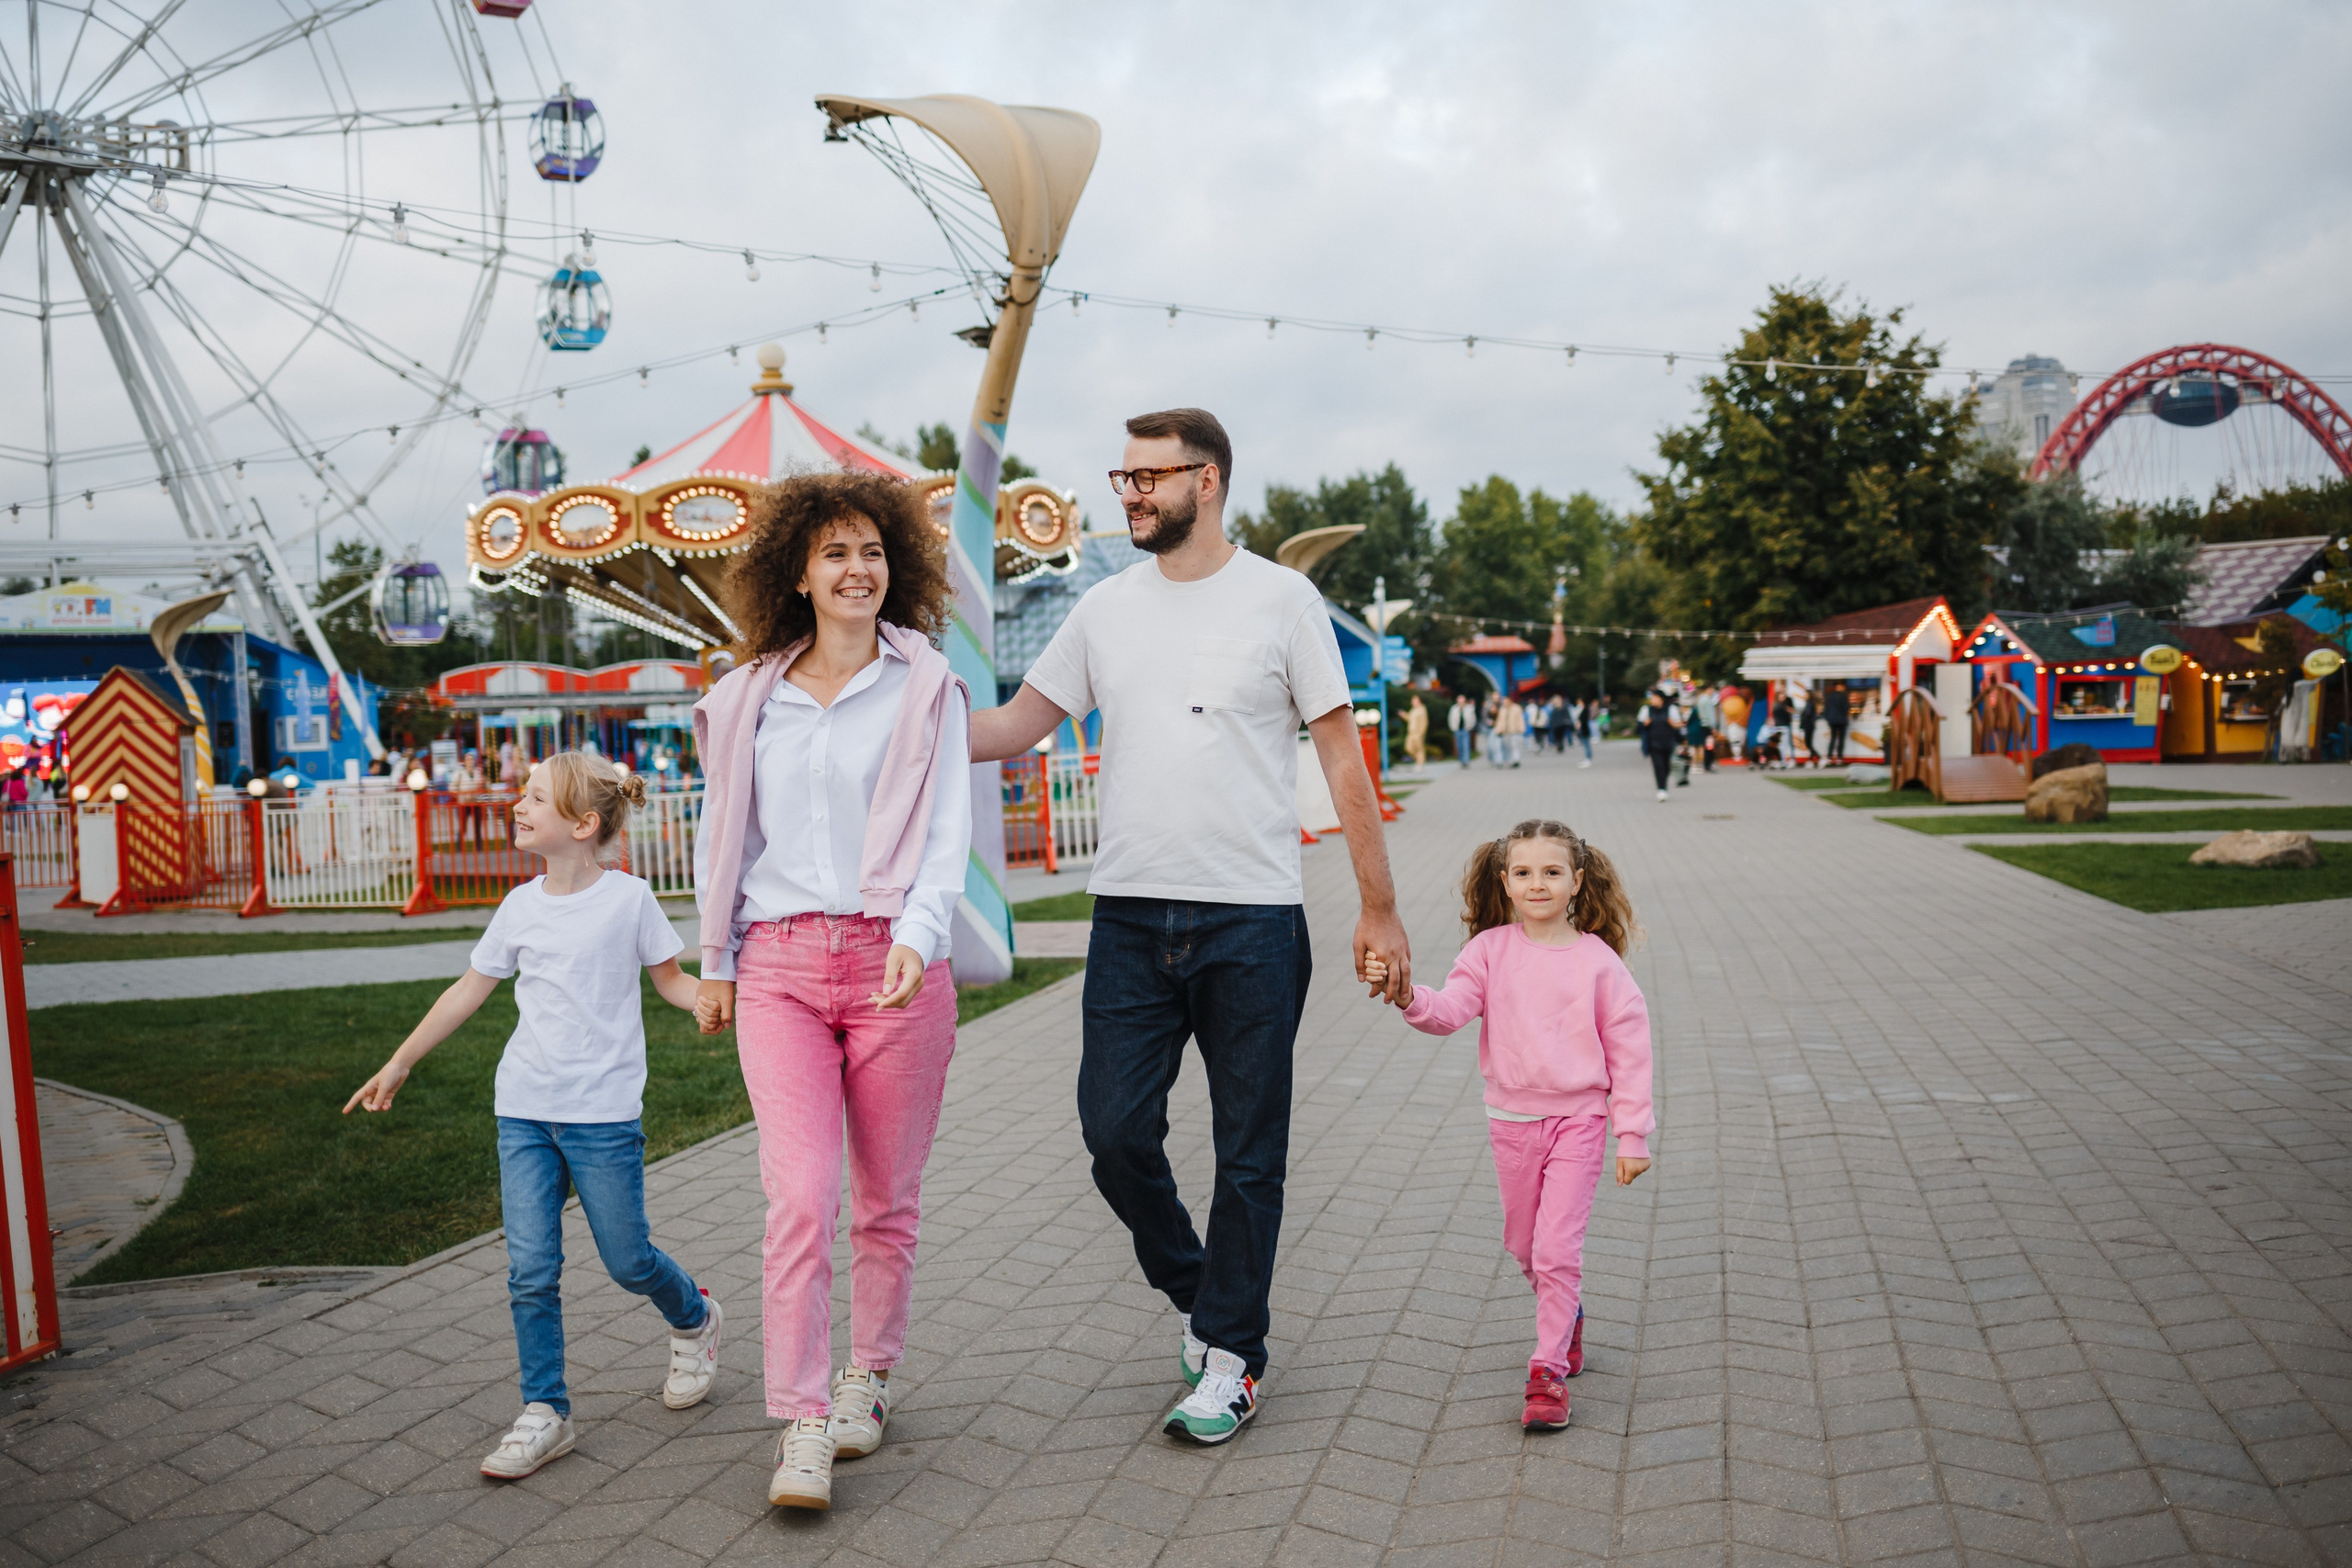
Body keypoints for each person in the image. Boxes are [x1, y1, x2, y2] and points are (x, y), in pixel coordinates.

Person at [970, 407, 1409, 1446]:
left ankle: (1233, 1356)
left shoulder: (1282, 601)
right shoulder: (1106, 610)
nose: (1128, 494)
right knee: (1114, 1135)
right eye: (1121, 478)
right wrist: (892, 696)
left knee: (1248, 1151)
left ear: (1204, 481)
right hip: (1126, 918)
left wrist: (1379, 908)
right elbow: (1008, 730)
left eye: (1146, 478)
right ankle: (1205, 1294)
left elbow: (1343, 763)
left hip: (1252, 920)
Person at [689, 471, 970, 1511]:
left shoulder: (926, 686)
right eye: (836, 554)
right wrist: (714, 963)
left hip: (896, 960)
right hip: (780, 966)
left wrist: (919, 931)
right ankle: (801, 1421)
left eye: (873, 553)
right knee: (800, 1197)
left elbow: (947, 829)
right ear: (798, 573)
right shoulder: (744, 697)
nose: (859, 571)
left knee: (884, 1204)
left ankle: (870, 1375)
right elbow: (727, 841)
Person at [344, 753, 718, 1481]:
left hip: (603, 1116)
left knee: (628, 1259)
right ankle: (546, 1409)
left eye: (535, 797)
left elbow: (671, 980)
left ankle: (695, 1318)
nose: (518, 804)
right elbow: (467, 990)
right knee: (530, 1270)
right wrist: (401, 1060)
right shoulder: (519, 906)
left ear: (582, 824)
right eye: (523, 794)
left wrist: (709, 998)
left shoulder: (630, 899)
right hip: (522, 1111)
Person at [1361, 818, 1651, 1431]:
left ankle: (1546, 1371)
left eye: (1551, 872)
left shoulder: (1600, 964)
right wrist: (1407, 993)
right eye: (1524, 873)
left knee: (1555, 1248)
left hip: (1580, 1121)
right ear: (1505, 881)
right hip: (1512, 1122)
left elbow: (1630, 1049)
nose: (1537, 884)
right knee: (1524, 1246)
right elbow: (1447, 1012)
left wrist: (1633, 1134)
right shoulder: (1489, 951)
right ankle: (1565, 1313)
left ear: (1577, 881)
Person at [1638, 692, 1678, 800]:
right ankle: (1661, 789)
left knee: (1666, 766)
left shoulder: (1671, 709)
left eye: (1655, 698)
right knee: (1658, 766)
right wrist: (1644, 724)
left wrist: (1673, 724)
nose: (1652, 700)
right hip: (1653, 743)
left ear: (1661, 699)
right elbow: (1639, 727)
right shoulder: (1647, 710)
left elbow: (1679, 724)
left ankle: (1663, 785)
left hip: (1668, 742)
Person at [1824, 681, 1851, 764]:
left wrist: (1828, 719)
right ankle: (1839, 758)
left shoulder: (1829, 696)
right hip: (1842, 720)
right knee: (1841, 740)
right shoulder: (1843, 696)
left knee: (1832, 739)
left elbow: (1825, 710)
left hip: (1832, 721)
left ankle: (1829, 757)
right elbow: (1847, 708)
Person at [1498, 693, 1527, 768]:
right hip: (1505, 731)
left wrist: (1521, 728)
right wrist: (1499, 729)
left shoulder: (1516, 708)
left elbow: (1520, 719)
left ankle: (1516, 760)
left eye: (1506, 701)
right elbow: (1500, 721)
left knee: (1515, 746)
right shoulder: (1502, 709)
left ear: (1510, 701)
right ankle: (1511, 761)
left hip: (1514, 731)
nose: (1505, 702)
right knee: (1508, 747)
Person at [1404, 693, 1430, 772]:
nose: (1413, 701)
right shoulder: (1413, 710)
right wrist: (1404, 715)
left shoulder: (1422, 709)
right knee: (1408, 748)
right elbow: (1410, 719)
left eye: (1414, 699)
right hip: (1411, 733)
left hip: (1418, 733)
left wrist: (1421, 733)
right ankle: (1418, 761)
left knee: (1419, 749)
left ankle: (1420, 764)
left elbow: (1425, 722)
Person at [1450, 693, 1476, 768]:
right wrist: (1453, 728)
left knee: (1466, 745)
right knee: (1459, 746)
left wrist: (1471, 726)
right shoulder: (1454, 709)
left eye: (1462, 701)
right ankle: (1461, 760)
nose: (1461, 703)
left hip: (1466, 729)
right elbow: (1451, 719)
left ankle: (1466, 761)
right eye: (1460, 701)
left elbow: (1473, 718)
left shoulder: (1469, 708)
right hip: (1457, 730)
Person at [1798, 689, 1821, 765]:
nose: (1804, 696)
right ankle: (1812, 759)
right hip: (1809, 725)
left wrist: (1802, 719)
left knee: (1808, 743)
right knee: (1809, 743)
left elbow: (1807, 715)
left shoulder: (1809, 703)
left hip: (1809, 725)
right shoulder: (1810, 703)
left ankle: (1817, 756)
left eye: (1806, 694)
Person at [1576, 697, 1595, 767]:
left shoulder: (1585, 710)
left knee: (1587, 745)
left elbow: (1583, 720)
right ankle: (1586, 758)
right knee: (1585, 745)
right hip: (1583, 729)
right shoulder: (1582, 710)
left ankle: (1588, 759)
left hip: (1584, 729)